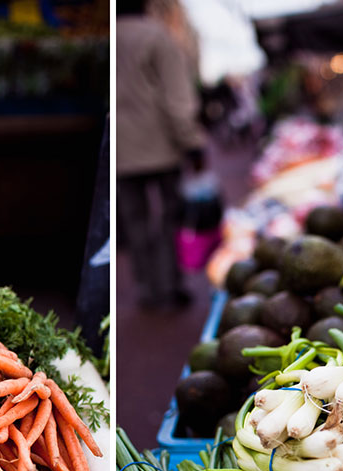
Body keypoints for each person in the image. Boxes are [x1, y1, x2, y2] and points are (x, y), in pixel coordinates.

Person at [117, 0, 206, 308]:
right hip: (161, 147)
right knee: (169, 219)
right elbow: (178, 98)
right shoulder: (157, 36)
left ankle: (148, 289)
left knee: (135, 222)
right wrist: (192, 142)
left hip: (121, 151)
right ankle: (169, 287)